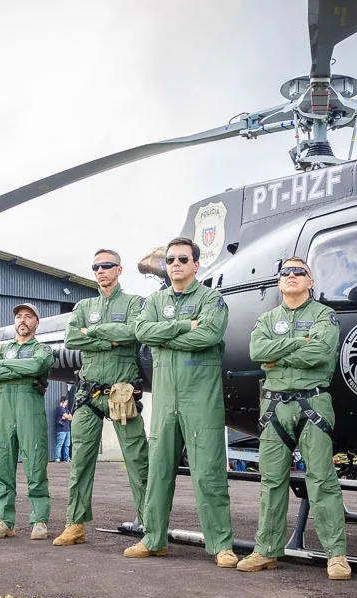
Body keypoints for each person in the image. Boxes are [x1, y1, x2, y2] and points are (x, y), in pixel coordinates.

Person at [125, 237, 237, 568]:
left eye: (183, 259)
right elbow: (143, 331)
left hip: (200, 400)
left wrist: (166, 338)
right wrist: (183, 326)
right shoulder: (154, 300)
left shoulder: (212, 299)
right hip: (164, 401)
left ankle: (221, 544)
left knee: (208, 473)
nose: (175, 264)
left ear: (195, 264)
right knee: (158, 471)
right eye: (171, 259)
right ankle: (153, 538)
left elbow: (210, 335)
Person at [237, 257, 351, 580]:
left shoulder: (324, 315)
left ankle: (337, 555)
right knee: (271, 481)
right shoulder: (266, 318)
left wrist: (279, 352)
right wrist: (299, 344)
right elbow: (257, 351)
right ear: (278, 282)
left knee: (322, 479)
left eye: (299, 272)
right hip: (274, 408)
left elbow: (321, 353)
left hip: (312, 403)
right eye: (285, 272)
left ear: (310, 281)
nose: (291, 276)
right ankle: (267, 550)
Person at [53, 249, 149, 547]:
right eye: (96, 267)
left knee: (138, 459)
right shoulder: (84, 305)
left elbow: (134, 331)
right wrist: (111, 337)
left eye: (107, 266)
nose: (100, 271)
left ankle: (151, 525)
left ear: (119, 270)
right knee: (80, 461)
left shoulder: (135, 302)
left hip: (121, 393)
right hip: (87, 394)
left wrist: (92, 333)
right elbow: (71, 338)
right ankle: (74, 524)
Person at [0, 302, 55, 540]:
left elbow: (36, 366)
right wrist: (19, 370)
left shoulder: (42, 350)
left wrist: (6, 368)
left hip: (29, 408)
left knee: (35, 464)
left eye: (28, 317)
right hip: (4, 409)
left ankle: (40, 521)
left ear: (36, 322)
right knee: (1, 465)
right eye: (19, 317)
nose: (22, 320)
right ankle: (3, 520)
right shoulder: (0, 349)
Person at [55, 397, 72, 462]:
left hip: (67, 430)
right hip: (61, 430)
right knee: (60, 444)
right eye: (66, 401)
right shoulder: (59, 408)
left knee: (67, 445)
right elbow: (68, 416)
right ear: (63, 401)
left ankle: (66, 458)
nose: (67, 403)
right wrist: (67, 417)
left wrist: (65, 417)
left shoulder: (66, 410)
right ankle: (57, 458)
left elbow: (71, 418)